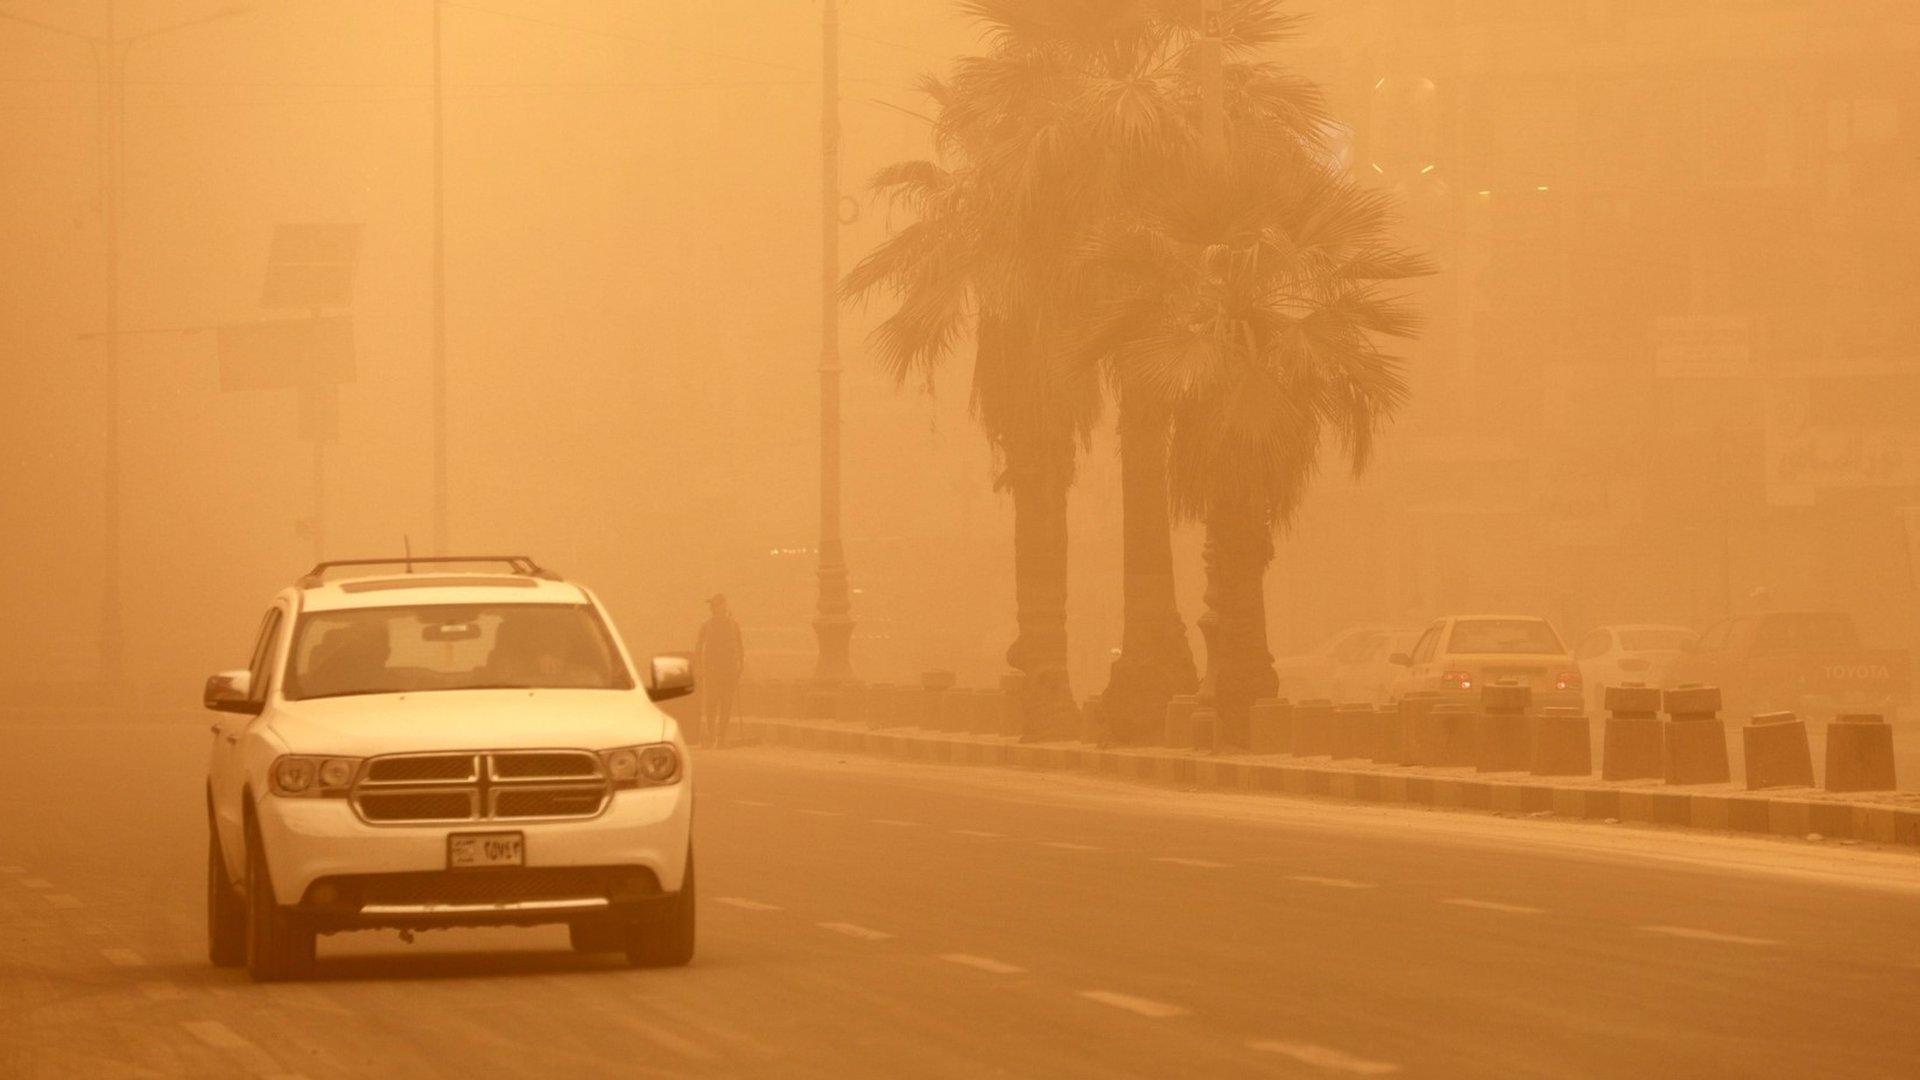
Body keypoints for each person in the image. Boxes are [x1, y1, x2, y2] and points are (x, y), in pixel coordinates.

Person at [693, 594, 745, 748]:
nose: (720, 609)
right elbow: (698, 646)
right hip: (712, 670)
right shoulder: (706, 626)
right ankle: (711, 735)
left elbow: (740, 647)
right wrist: (700, 667)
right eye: (717, 606)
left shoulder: (733, 625)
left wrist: (740, 665)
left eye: (722, 606)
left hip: (729, 670)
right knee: (711, 704)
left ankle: (721, 737)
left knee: (726, 704)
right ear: (713, 609)